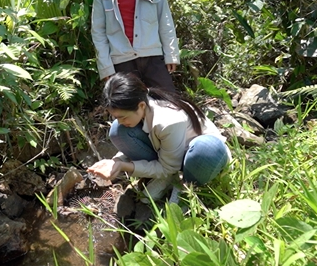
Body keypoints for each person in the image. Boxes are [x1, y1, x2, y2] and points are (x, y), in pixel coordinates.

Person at [88, 72, 231, 203]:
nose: (120, 121)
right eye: (116, 117)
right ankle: (170, 176)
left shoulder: (167, 121)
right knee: (117, 130)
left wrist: (124, 166)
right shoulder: (144, 106)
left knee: (205, 149)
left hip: (205, 157)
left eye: (123, 117)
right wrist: (117, 161)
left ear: (141, 105)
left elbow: (168, 163)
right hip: (172, 155)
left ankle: (187, 185)